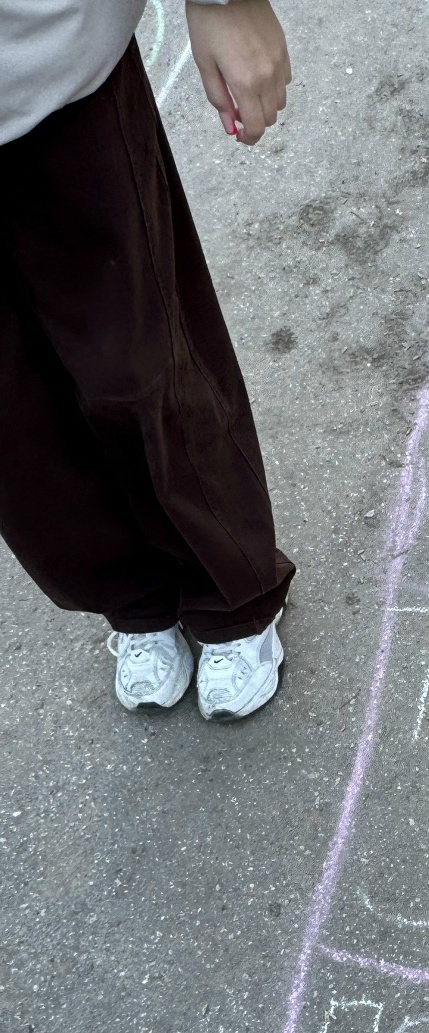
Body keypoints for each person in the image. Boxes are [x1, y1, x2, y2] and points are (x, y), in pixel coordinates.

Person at [0, 0, 295, 720]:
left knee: (134, 364)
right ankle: (133, 602)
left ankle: (229, 593)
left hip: (44, 69)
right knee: (13, 423)